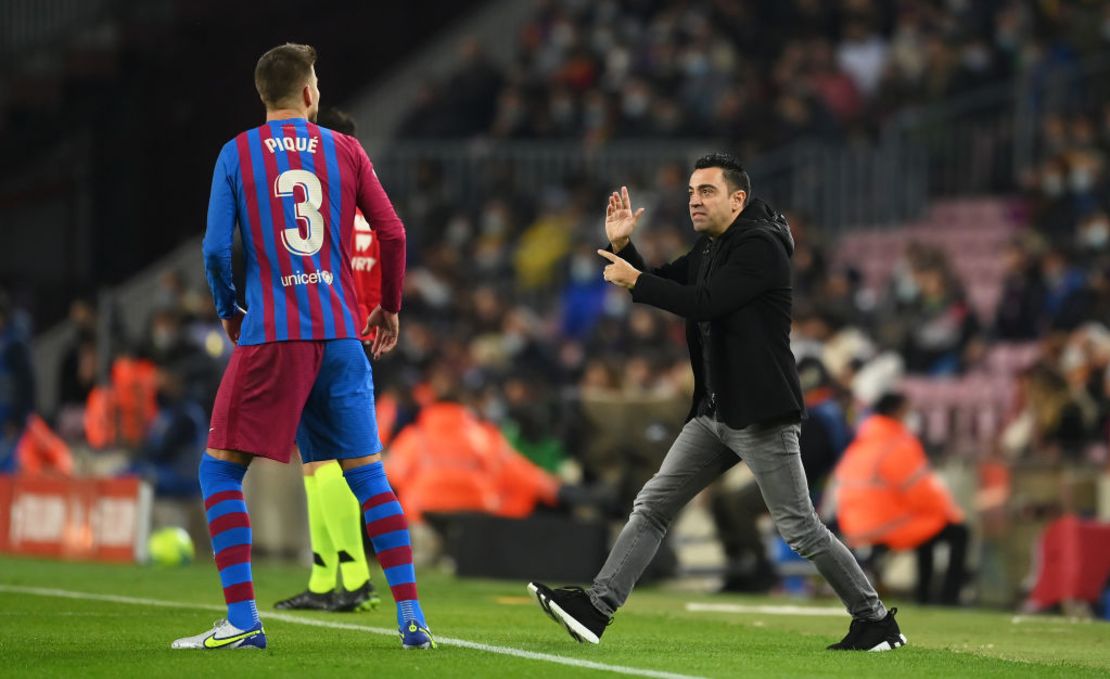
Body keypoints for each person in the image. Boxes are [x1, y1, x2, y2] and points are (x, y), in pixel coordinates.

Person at [527, 153, 906, 652]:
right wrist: (625, 248)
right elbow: (670, 282)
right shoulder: (713, 247)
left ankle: (875, 620)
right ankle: (597, 608)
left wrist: (636, 281)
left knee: (800, 528)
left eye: (706, 191)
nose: (694, 201)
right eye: (690, 192)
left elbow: (703, 303)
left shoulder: (762, 248)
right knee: (654, 504)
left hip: (762, 413)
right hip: (715, 411)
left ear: (738, 198)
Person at [172, 43, 433, 651]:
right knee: (370, 478)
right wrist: (388, 305)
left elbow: (214, 250)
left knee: (218, 472)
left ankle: (242, 620)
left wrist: (228, 308)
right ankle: (413, 618)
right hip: (342, 333)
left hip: (273, 335)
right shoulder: (345, 148)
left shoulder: (236, 153)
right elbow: (392, 230)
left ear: (264, 94)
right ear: (310, 93)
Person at [273, 108, 383, 615]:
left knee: (321, 465)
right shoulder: (368, 217)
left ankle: (351, 577)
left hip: (319, 337)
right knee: (329, 466)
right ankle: (328, 579)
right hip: (355, 341)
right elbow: (381, 286)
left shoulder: (320, 213)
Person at [708, 356, 852, 593]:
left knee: (737, 503)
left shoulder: (823, 413)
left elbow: (810, 460)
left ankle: (759, 568)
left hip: (807, 485)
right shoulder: (817, 411)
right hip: (786, 475)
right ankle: (739, 563)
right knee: (721, 499)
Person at [833, 392, 969, 605]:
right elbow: (923, 492)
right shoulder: (897, 444)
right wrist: (952, 514)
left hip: (853, 525)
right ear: (897, 412)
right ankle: (947, 599)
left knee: (927, 530)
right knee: (957, 531)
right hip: (886, 525)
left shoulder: (860, 443)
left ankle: (925, 595)